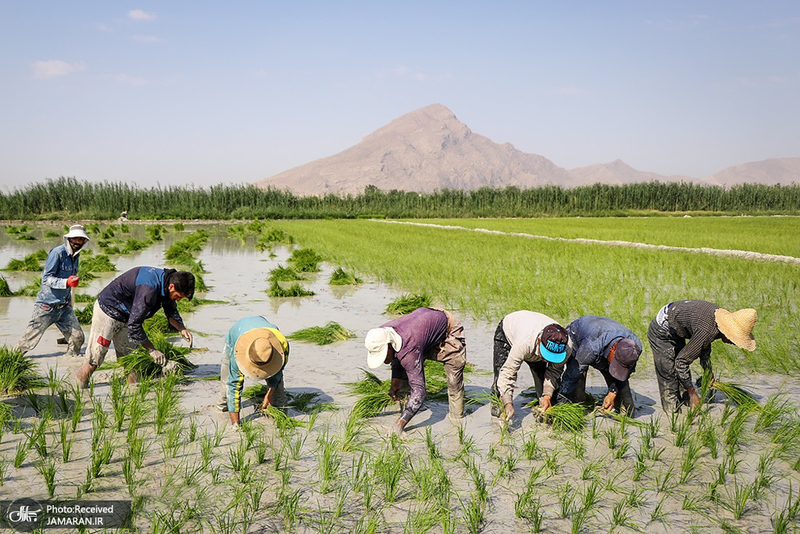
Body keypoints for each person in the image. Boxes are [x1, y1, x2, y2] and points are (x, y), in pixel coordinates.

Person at [75, 266, 195, 388]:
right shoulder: (149, 290)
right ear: (172, 287)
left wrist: (182, 329)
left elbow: (170, 310)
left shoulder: (167, 283)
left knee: (132, 362)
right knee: (94, 359)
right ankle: (80, 391)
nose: (178, 300)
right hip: (108, 312)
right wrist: (152, 350)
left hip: (128, 316)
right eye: (178, 296)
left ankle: (132, 396)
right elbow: (135, 325)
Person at [364, 306, 466, 435]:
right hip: (422, 327)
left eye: (383, 355)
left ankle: (457, 424)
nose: (384, 361)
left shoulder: (409, 351)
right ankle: (406, 405)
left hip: (447, 328)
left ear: (389, 346)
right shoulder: (382, 334)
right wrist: (395, 382)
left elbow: (420, 392)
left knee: (454, 379)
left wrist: (400, 424)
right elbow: (397, 355)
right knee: (406, 370)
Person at [648, 299, 757, 412]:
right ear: (728, 332)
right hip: (661, 330)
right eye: (734, 339)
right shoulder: (708, 330)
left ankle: (687, 405)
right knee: (669, 374)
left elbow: (704, 348)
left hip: (677, 327)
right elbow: (681, 362)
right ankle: (671, 414)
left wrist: (708, 372)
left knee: (682, 376)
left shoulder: (716, 323)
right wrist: (692, 392)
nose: (733, 343)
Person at [15, 225, 89, 358]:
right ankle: (11, 360)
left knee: (78, 338)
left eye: (81, 239)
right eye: (76, 238)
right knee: (27, 342)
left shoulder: (76, 256)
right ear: (69, 239)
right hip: (47, 306)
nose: (78, 242)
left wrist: (72, 283)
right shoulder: (57, 253)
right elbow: (47, 279)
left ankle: (70, 361)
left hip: (64, 307)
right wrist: (66, 282)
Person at [492, 310, 571, 421]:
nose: (546, 360)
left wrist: (547, 396)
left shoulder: (566, 347)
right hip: (509, 330)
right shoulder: (523, 343)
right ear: (539, 341)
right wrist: (508, 404)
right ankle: (499, 409)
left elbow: (554, 372)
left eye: (552, 357)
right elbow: (508, 373)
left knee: (546, 385)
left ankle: (543, 408)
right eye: (546, 355)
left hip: (532, 335)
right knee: (499, 378)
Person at [215, 316, 289, 426]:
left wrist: (269, 394)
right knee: (226, 388)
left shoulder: (282, 346)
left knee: (278, 396)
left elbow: (277, 373)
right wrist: (236, 425)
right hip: (238, 332)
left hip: (265, 335)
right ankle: (222, 410)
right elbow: (233, 386)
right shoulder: (237, 353)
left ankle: (281, 418)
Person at [561, 315, 643, 414]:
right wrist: (561, 403)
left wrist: (612, 393)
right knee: (577, 394)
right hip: (579, 336)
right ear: (613, 349)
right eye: (616, 363)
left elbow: (625, 372)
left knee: (628, 409)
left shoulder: (634, 348)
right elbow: (570, 377)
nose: (617, 367)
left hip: (605, 337)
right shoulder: (591, 347)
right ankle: (576, 404)